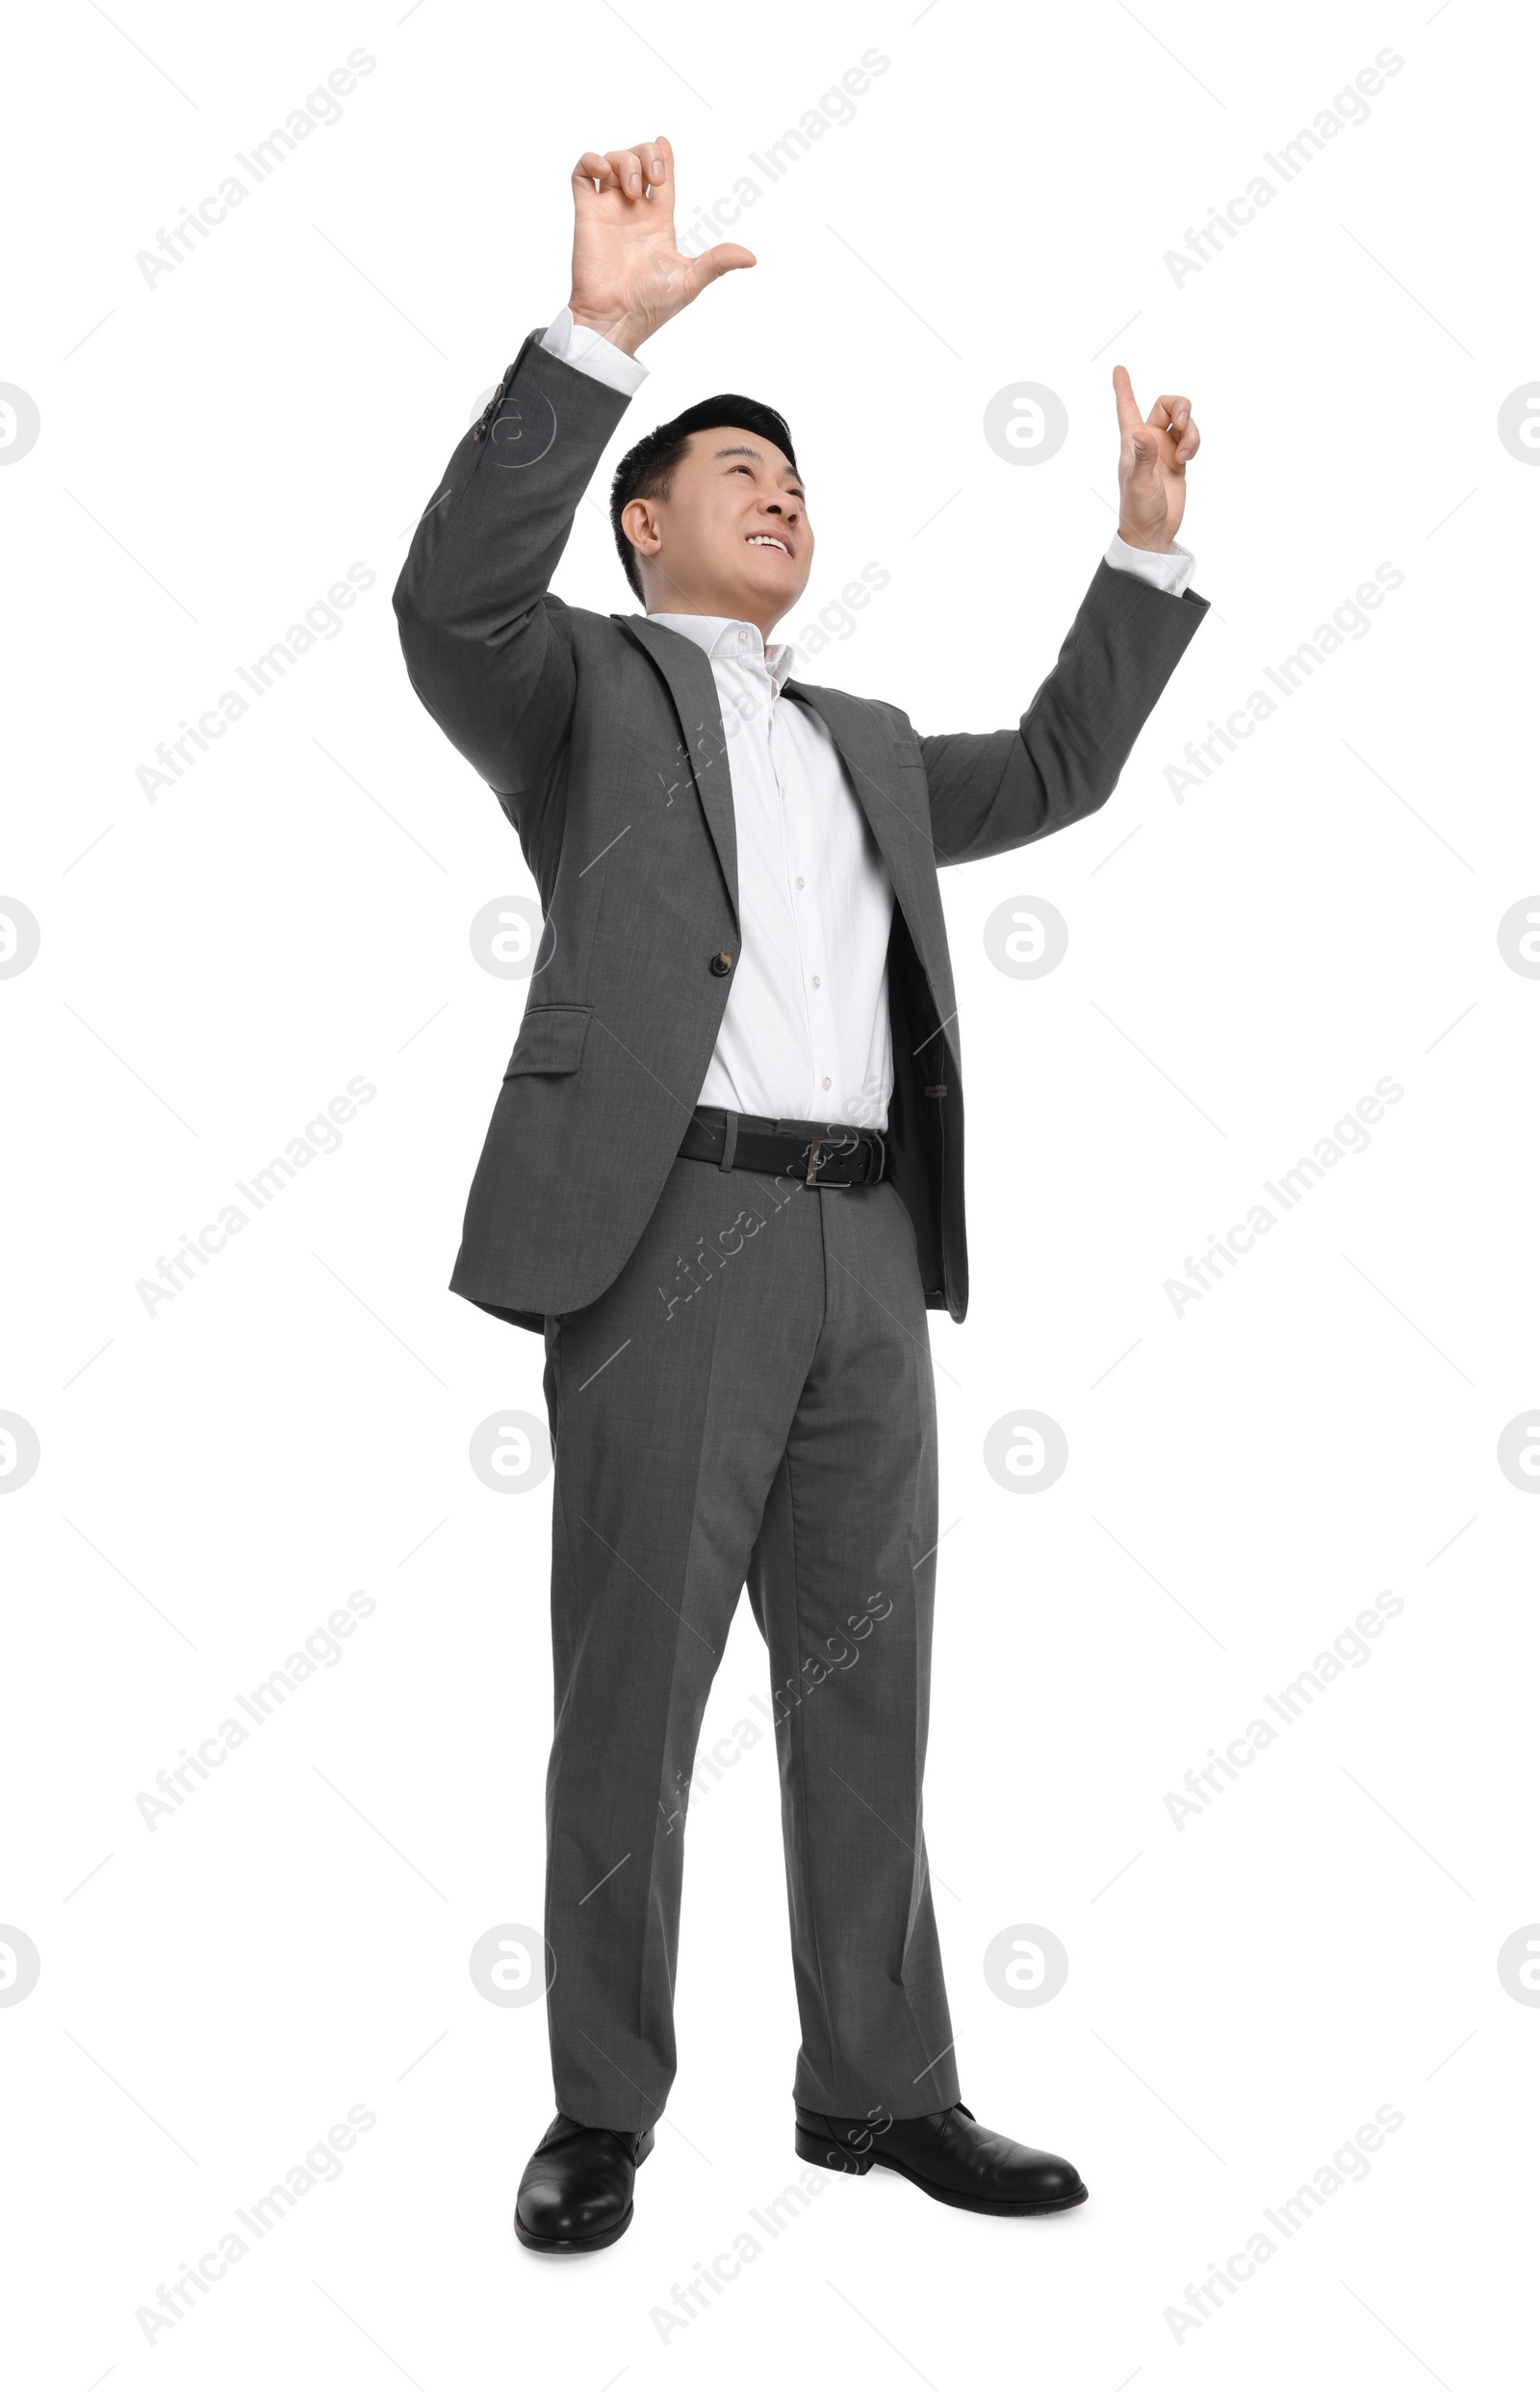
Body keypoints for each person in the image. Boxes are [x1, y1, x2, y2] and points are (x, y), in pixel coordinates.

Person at [394, 134, 1207, 2253]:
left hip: (869, 1249)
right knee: (634, 1692)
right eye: (731, 467)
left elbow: (1047, 772)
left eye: (796, 476)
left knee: (866, 1686)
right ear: (643, 524)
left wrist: (1135, 558)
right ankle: (601, 2111)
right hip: (666, 1239)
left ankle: (881, 2083)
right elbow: (443, 600)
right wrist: (600, 338)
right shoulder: (573, 689)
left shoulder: (853, 737)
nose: (778, 488)